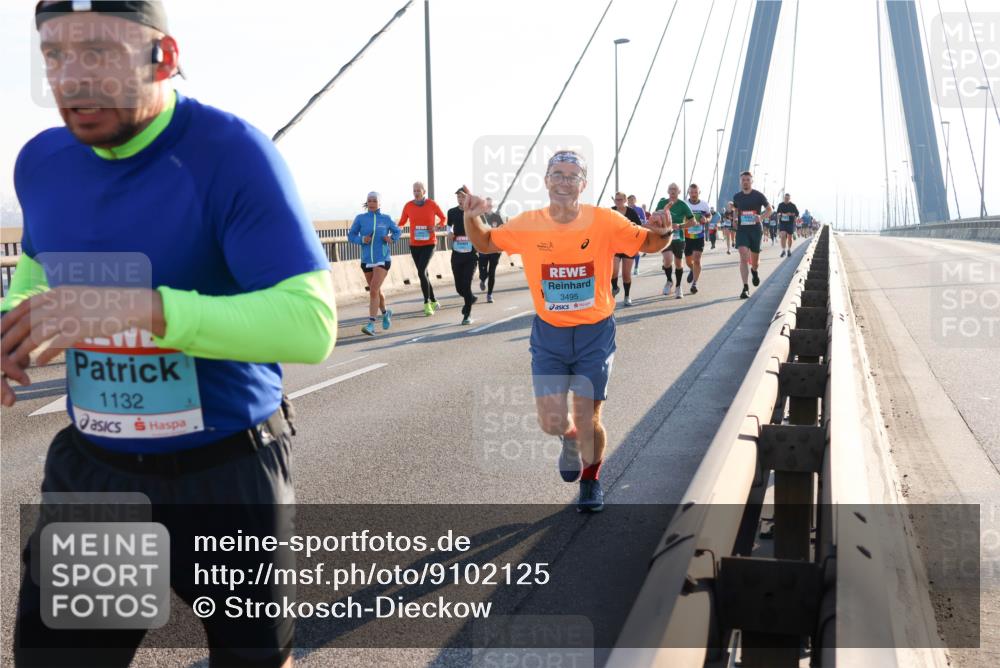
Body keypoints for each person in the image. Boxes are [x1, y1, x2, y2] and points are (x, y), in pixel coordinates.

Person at [2, 4, 338, 667]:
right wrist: (12, 331)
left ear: (166, 55)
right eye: (55, 57)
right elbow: (37, 270)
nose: (72, 78)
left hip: (225, 473)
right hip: (98, 475)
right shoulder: (40, 162)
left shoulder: (235, 154)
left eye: (97, 52)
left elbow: (311, 324)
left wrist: (143, 309)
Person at [461, 150, 671, 512]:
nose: (563, 181)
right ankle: (569, 440)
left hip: (595, 333)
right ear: (545, 180)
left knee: (589, 418)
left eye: (572, 176)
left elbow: (649, 243)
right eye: (556, 174)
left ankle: (590, 481)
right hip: (549, 334)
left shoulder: (605, 221)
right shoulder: (528, 224)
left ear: (583, 185)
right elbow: (484, 242)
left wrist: (663, 232)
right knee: (552, 421)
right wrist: (470, 216)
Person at [348, 192, 401, 335]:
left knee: (373, 290)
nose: (371, 203)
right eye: (369, 201)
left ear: (379, 203)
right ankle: (385, 313)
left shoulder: (386, 218)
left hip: (382, 258)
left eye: (374, 201)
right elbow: (351, 235)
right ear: (367, 203)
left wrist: (391, 238)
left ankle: (371, 324)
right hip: (366, 260)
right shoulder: (360, 218)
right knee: (375, 290)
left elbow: (398, 231)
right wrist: (362, 239)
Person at [398, 181, 446, 316]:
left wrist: (436, 227)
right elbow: (401, 222)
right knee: (424, 273)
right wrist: (394, 232)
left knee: (421, 272)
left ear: (424, 192)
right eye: (414, 190)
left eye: (419, 190)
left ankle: (427, 303)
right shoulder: (408, 206)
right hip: (414, 245)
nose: (416, 193)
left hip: (429, 243)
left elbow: (443, 218)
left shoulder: (432, 204)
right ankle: (434, 299)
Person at [732, 171, 772, 299]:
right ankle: (745, 287)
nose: (745, 181)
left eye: (748, 179)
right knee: (743, 255)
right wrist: (735, 219)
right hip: (742, 230)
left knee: (754, 262)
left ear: (751, 181)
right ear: (740, 181)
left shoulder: (758, 195)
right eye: (743, 179)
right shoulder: (737, 196)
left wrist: (760, 217)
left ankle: (754, 271)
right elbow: (736, 210)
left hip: (755, 230)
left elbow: (770, 209)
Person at [655, 183, 694, 299]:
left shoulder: (683, 205)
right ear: (668, 191)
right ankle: (669, 281)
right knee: (667, 261)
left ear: (679, 192)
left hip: (678, 238)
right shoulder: (662, 203)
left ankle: (678, 286)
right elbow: (655, 217)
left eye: (675, 190)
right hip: (665, 236)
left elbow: (692, 222)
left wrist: (680, 226)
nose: (672, 191)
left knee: (678, 263)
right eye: (671, 189)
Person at [447, 187, 478, 325]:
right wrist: (449, 233)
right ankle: (470, 298)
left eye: (463, 197)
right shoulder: (452, 212)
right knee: (459, 287)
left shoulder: (473, 213)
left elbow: (481, 227)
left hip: (471, 255)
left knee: (466, 284)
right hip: (457, 254)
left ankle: (467, 314)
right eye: (459, 197)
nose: (460, 199)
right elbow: (448, 226)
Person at [610, 192, 643, 306]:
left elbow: (639, 228)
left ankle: (627, 296)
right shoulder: (611, 211)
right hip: (614, 247)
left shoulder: (631, 212)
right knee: (613, 271)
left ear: (625, 200)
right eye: (616, 200)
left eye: (620, 200)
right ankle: (614, 287)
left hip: (629, 246)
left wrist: (638, 245)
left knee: (626, 274)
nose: (618, 202)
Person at [684, 184, 711, 295]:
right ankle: (692, 269)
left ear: (699, 192)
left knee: (697, 259)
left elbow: (709, 216)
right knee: (688, 261)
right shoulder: (684, 204)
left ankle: (694, 283)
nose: (694, 194)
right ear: (688, 192)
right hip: (687, 236)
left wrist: (706, 219)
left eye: (696, 192)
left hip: (699, 236)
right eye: (691, 192)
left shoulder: (704, 204)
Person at [477, 197, 504, 302]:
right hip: (483, 248)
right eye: (486, 205)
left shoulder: (497, 217)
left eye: (490, 205)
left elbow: (503, 232)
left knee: (492, 271)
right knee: (482, 271)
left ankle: (489, 294)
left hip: (495, 249)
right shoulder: (480, 218)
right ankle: (483, 279)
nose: (488, 207)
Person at [776, 193, 799, 257]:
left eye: (787, 199)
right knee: (783, 235)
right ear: (784, 198)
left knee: (789, 237)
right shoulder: (780, 205)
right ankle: (783, 250)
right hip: (782, 223)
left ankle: (789, 249)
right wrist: (780, 215)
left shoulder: (792, 205)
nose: (786, 199)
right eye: (785, 198)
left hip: (790, 223)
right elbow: (777, 213)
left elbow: (797, 213)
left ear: (789, 199)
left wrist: (791, 214)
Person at [627, 194, 646, 274]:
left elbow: (644, 220)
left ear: (635, 200)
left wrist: (638, 221)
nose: (630, 202)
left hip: (637, 231)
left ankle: (636, 267)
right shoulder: (626, 209)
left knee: (636, 251)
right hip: (627, 233)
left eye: (632, 200)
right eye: (629, 200)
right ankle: (629, 267)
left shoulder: (639, 209)